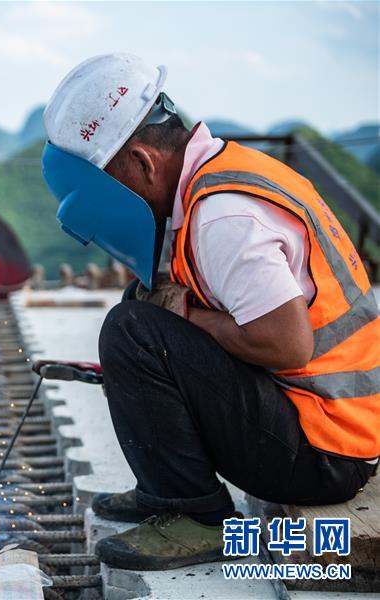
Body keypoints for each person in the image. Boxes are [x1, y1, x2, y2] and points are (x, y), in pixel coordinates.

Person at [42, 53, 378, 570]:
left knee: (134, 331)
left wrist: (186, 315)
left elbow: (287, 345)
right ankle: (164, 490)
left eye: (113, 183)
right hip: (335, 423)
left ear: (143, 162)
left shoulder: (224, 216)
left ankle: (194, 513)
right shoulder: (222, 173)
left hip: (325, 448)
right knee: (140, 307)